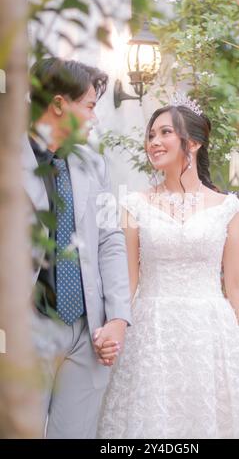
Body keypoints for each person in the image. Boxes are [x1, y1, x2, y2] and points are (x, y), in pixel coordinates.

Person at [97, 97, 239, 439]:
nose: (154, 142)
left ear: (194, 142)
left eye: (165, 132)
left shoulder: (227, 208)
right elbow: (127, 282)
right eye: (151, 135)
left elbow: (237, 285)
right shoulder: (134, 206)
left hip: (211, 336)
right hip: (150, 334)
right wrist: (112, 328)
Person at [23, 57, 131, 438]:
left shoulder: (94, 164)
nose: (95, 118)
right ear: (57, 104)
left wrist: (117, 318)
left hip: (88, 332)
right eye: (89, 106)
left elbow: (109, 239)